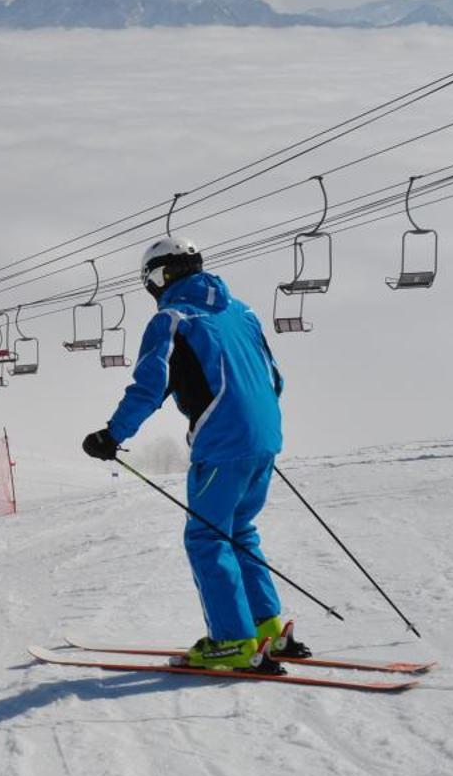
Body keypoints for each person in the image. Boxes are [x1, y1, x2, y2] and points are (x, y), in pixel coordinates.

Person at [79, 236, 308, 671]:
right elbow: (274, 377)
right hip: (264, 437)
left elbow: (150, 387)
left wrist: (112, 435)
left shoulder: (174, 319)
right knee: (239, 529)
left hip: (223, 442)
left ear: (158, 278)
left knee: (206, 537)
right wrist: (253, 427)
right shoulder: (243, 312)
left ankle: (233, 642)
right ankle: (267, 629)